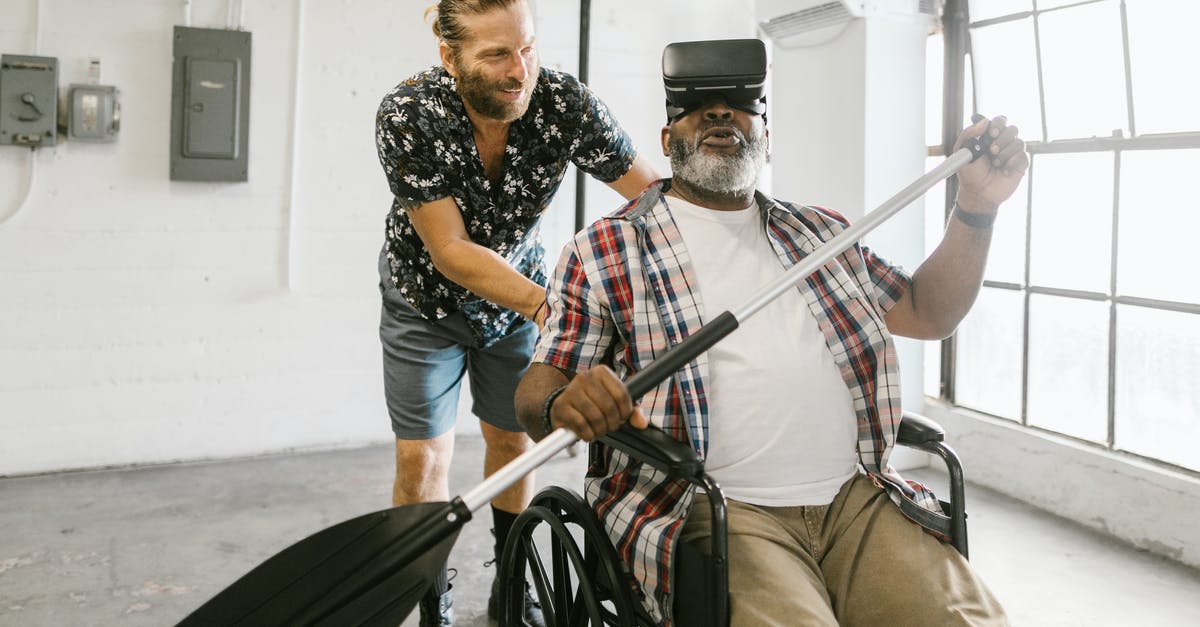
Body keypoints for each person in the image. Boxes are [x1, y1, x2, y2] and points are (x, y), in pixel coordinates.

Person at [514, 39, 1028, 626]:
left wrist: (977, 205)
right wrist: (562, 402)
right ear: (667, 140)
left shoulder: (821, 234)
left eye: (741, 103)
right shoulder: (606, 247)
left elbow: (929, 312)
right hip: (712, 509)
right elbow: (535, 392)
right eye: (696, 105)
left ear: (766, 136)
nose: (719, 112)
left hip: (856, 499)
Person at [374, 1, 658, 624]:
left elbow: (651, 195)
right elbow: (449, 249)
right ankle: (431, 602)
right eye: (497, 54)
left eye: (527, 48)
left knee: (512, 438)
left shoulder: (563, 105)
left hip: (514, 304)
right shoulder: (409, 114)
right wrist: (548, 307)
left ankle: (511, 585)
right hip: (427, 303)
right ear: (450, 58)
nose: (519, 70)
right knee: (423, 459)